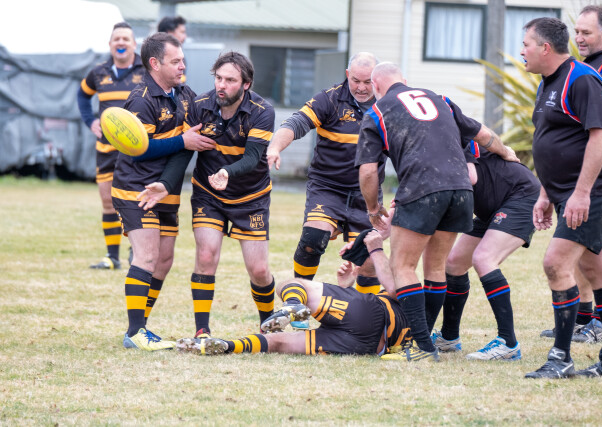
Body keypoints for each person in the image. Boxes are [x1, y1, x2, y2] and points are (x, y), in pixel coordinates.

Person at [355, 62, 518, 362]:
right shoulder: (440, 99)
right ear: (405, 80)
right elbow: (482, 134)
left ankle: (421, 346)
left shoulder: (376, 112)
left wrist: (373, 208)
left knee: (403, 266)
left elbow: (367, 171)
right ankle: (426, 339)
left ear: (376, 86)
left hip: (422, 188)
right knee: (435, 267)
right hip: (461, 190)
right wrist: (506, 151)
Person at [520, 17, 602, 379]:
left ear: (545, 48)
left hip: (593, 191)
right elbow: (553, 141)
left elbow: (601, 136)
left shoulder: (581, 79)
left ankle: (560, 358)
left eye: (526, 45)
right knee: (597, 271)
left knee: (555, 263)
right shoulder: (547, 82)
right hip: (566, 192)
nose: (522, 51)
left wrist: (582, 194)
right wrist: (545, 193)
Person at [147, 52, 277, 339]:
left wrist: (227, 172)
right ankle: (202, 331)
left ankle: (268, 326)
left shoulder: (262, 111)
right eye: (218, 78)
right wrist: (166, 184)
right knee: (205, 255)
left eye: (230, 80)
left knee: (259, 270)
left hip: (251, 197)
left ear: (246, 84)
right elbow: (185, 150)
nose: (222, 85)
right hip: (209, 194)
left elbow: (254, 157)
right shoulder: (199, 106)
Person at [540, 5, 602, 344]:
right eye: (577, 32)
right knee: (589, 255)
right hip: (577, 180)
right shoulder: (585, 66)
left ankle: (592, 325)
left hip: (595, 181)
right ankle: (585, 318)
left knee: (577, 253)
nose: (579, 38)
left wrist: (591, 183)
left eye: (586, 33)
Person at [112, 32, 212, 351]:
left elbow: (199, 122)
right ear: (155, 64)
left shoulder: (184, 93)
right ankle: (135, 332)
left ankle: (140, 326)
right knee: (147, 255)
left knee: (164, 260)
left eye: (183, 60)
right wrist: (183, 141)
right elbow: (138, 150)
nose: (183, 65)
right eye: (176, 61)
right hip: (136, 188)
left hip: (167, 189)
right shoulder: (141, 99)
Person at [175, 228, 412, 357]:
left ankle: (292, 304)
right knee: (278, 343)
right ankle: (228, 346)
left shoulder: (411, 287)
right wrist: (346, 287)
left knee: (293, 285)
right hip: (369, 346)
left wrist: (376, 248)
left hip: (372, 313)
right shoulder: (420, 310)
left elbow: (394, 289)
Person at [266, 52, 385, 298]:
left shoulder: (387, 106)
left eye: (368, 82)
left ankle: (370, 311)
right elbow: (296, 123)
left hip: (366, 193)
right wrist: (275, 148)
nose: (361, 88)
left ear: (377, 79)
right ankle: (298, 297)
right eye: (356, 81)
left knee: (369, 259)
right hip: (328, 187)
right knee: (313, 237)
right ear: (347, 75)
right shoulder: (330, 99)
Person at [430, 146, 540, 361]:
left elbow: (469, 176)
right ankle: (449, 337)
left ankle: (508, 343)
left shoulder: (450, 134)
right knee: (454, 263)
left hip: (520, 195)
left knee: (484, 258)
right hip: (492, 206)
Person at [77, 22, 145, 270]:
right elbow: (82, 95)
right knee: (108, 202)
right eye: (117, 39)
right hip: (106, 149)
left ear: (134, 44)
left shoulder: (147, 70)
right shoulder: (98, 73)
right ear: (110, 44)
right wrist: (90, 121)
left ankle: (137, 252)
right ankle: (112, 257)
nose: (121, 43)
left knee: (138, 202)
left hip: (138, 153)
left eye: (126, 39)